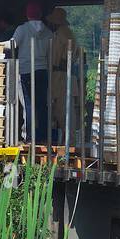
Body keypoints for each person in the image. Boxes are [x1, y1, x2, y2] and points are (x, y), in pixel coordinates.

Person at [10, 2, 52, 142]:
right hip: (42, 70)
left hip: (26, 70)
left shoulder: (22, 29)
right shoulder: (48, 31)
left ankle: (29, 136)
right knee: (42, 105)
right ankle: (44, 136)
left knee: (28, 104)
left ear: (27, 15)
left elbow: (12, 44)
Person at [45, 7, 76, 143]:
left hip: (61, 76)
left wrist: (64, 62)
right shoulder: (58, 32)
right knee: (56, 109)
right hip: (56, 75)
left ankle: (68, 140)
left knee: (63, 110)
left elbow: (72, 48)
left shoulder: (64, 32)